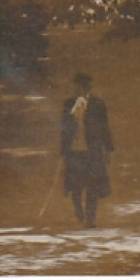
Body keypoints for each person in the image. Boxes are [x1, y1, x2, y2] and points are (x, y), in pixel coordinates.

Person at [60, 72, 114, 227]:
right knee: (76, 187)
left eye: (84, 86)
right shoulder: (68, 104)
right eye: (78, 86)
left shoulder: (98, 104)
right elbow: (64, 128)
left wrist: (108, 149)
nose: (80, 89)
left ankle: (90, 218)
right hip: (74, 151)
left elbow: (104, 127)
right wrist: (63, 149)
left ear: (88, 87)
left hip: (92, 151)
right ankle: (79, 211)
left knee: (92, 186)